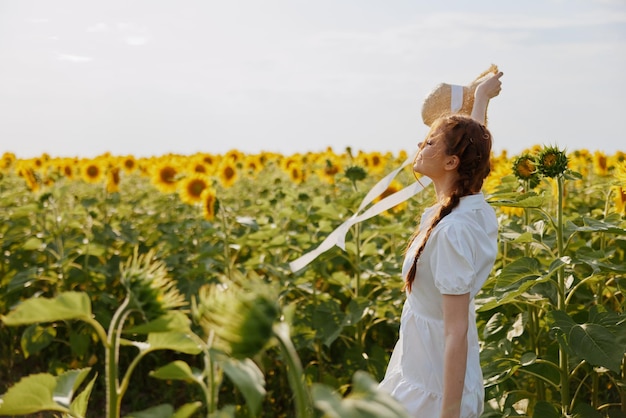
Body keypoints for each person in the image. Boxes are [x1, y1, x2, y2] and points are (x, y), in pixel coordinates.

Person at [378, 71, 503, 418]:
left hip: (434, 390)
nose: (420, 145)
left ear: (451, 163)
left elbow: (455, 332)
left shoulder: (452, 233)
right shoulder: (467, 206)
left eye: (431, 141)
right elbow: (472, 155)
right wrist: (479, 101)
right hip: (419, 367)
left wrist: (448, 413)